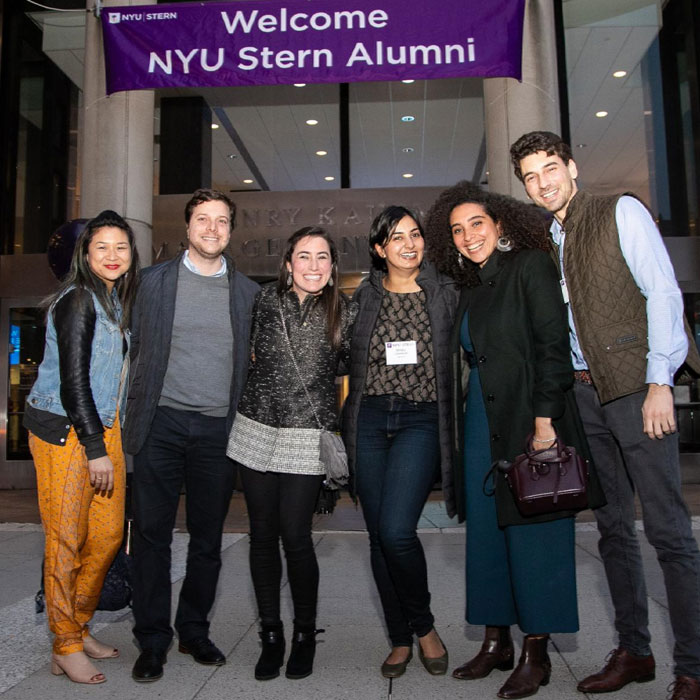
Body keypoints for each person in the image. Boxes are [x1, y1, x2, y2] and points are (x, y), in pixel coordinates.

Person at [510, 131, 700, 700]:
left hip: (637, 391)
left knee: (668, 531)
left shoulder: (619, 211)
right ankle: (635, 651)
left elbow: (663, 294)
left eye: (550, 169)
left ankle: (691, 667)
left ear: (570, 166)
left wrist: (660, 380)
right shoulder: (547, 238)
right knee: (613, 530)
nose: (542, 183)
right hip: (584, 398)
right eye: (530, 177)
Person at [425, 182, 599, 699]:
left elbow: (551, 346)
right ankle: (496, 641)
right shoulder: (472, 284)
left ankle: (536, 652)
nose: (468, 235)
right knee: (486, 536)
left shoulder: (530, 265)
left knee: (534, 532)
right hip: (482, 421)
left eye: (476, 223)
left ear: (499, 224)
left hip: (529, 419)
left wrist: (546, 423)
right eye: (457, 229)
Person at [123, 188, 259, 683]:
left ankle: (194, 630)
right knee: (152, 537)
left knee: (207, 539)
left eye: (222, 221)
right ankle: (152, 638)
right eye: (203, 219)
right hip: (160, 423)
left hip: (217, 430)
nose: (212, 229)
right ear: (186, 227)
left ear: (230, 230)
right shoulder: (151, 283)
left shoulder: (248, 294)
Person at [227, 226, 356, 682]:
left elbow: (351, 365)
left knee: (296, 538)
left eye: (323, 257)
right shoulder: (264, 300)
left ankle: (304, 635)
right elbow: (244, 351)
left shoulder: (346, 310)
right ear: (288, 264)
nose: (314, 266)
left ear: (332, 265)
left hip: (308, 432)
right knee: (261, 537)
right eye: (304, 256)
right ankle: (271, 635)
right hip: (256, 426)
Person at [24, 210, 140, 684]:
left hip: (102, 429)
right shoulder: (76, 301)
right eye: (102, 248)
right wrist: (94, 447)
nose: (112, 257)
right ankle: (65, 643)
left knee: (109, 536)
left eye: (121, 248)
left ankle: (76, 622)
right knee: (66, 539)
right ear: (85, 255)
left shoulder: (113, 303)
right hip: (66, 434)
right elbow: (73, 383)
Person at [342, 206, 456, 680]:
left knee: (396, 530)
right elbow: (335, 354)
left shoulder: (447, 293)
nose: (409, 244)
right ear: (378, 249)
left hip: (421, 420)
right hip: (368, 419)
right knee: (377, 535)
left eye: (415, 234)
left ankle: (424, 627)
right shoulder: (362, 296)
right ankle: (399, 638)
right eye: (396, 237)